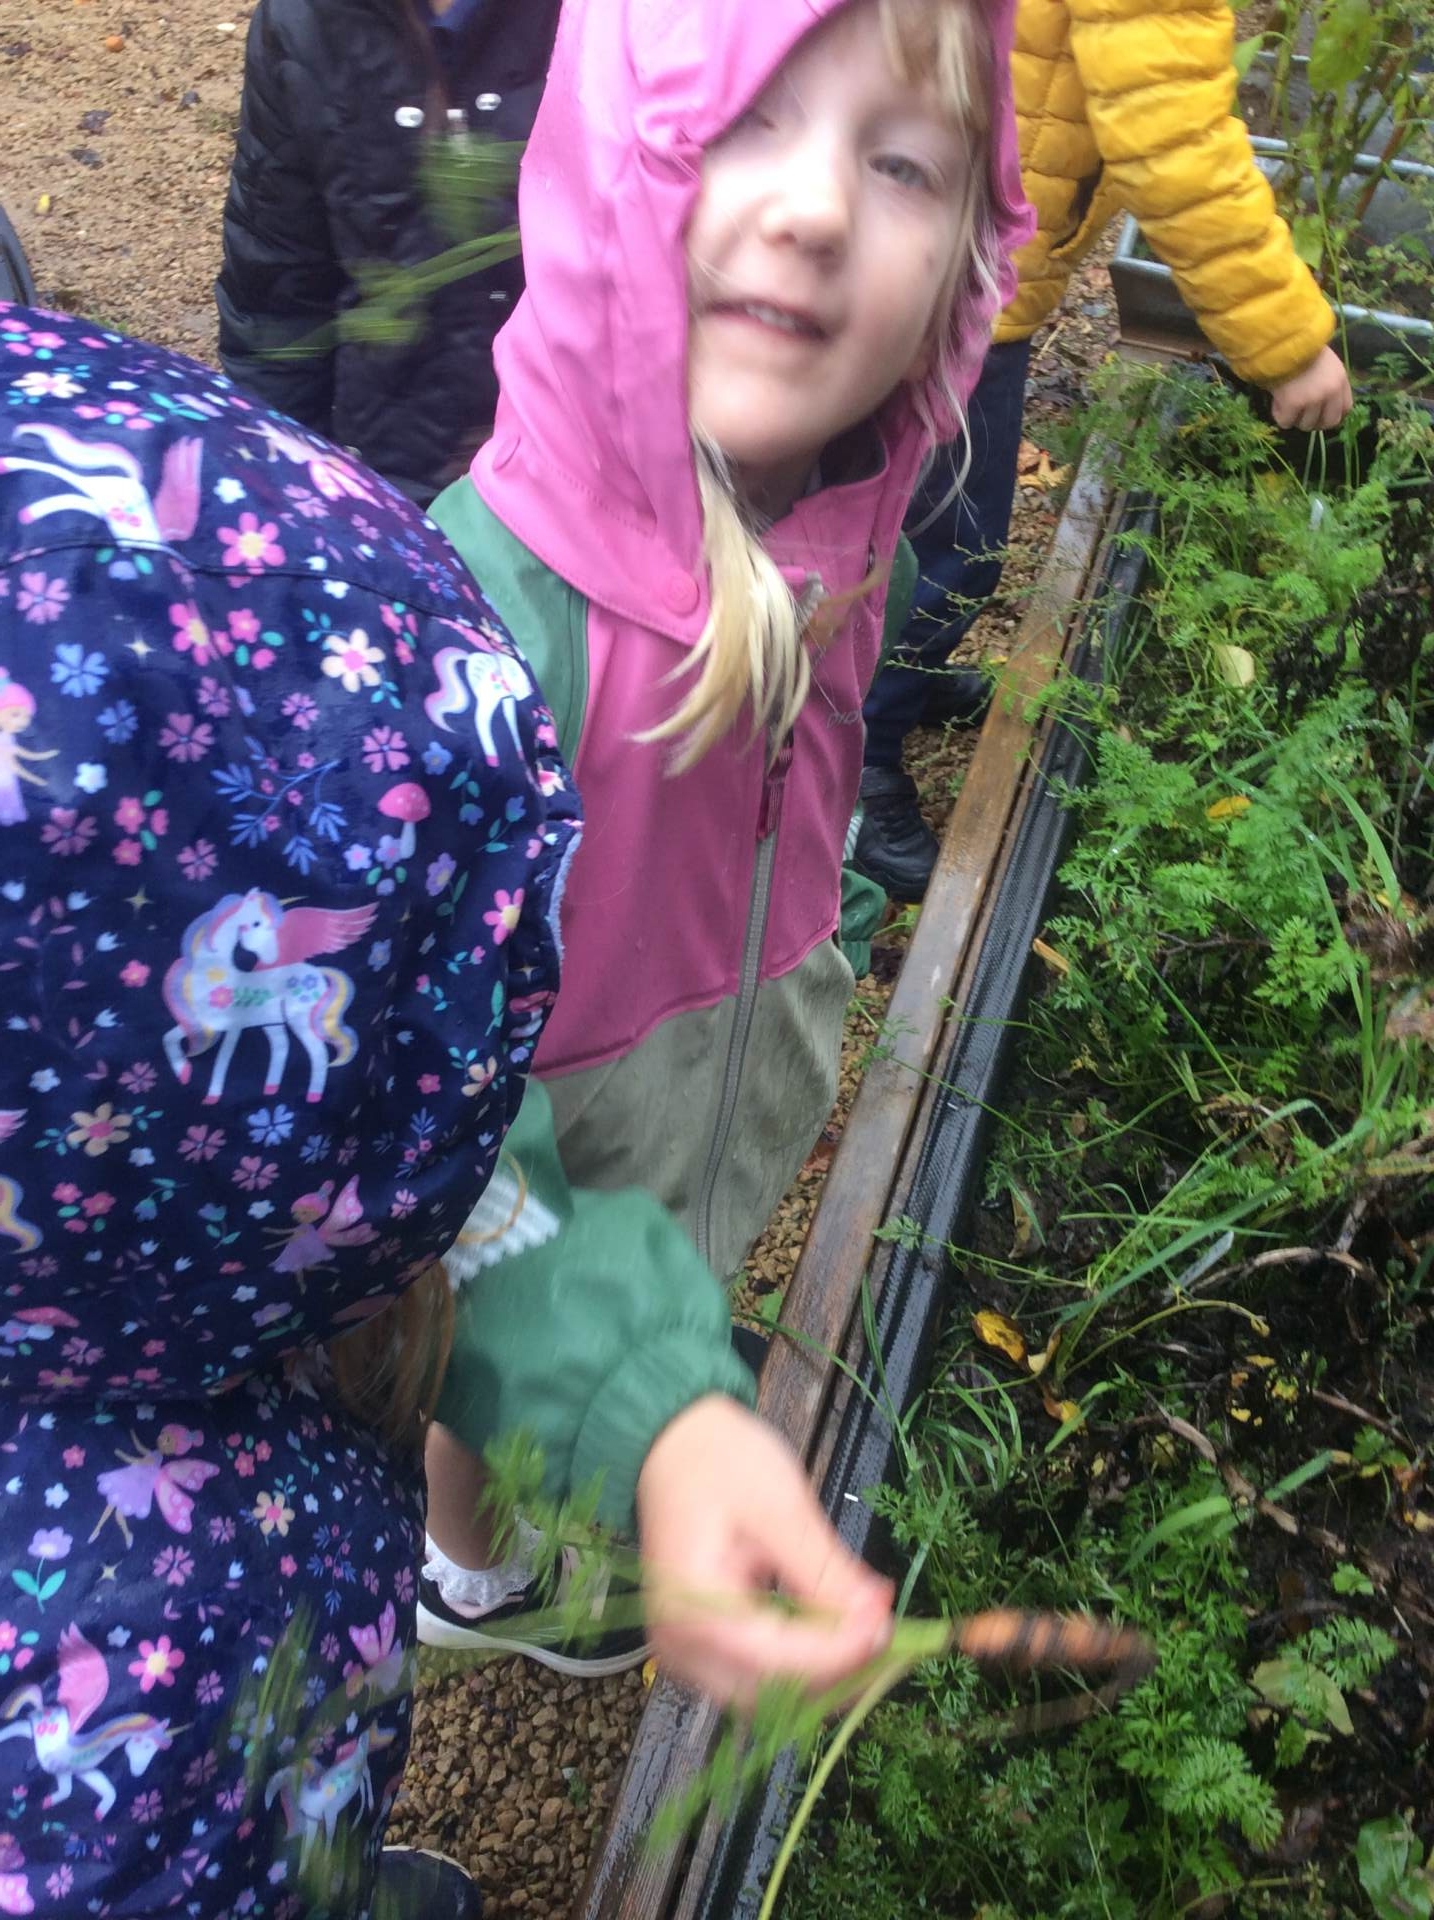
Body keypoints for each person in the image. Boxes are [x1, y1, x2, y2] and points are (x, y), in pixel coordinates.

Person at [0, 303, 894, 1917]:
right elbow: (439, 1183)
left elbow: (436, 1191)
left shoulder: (160, 1222)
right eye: (396, 1029)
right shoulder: (121, 1672)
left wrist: (649, 1411)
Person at [416, 0, 1035, 1656]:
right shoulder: (478, 628)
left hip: (727, 1043)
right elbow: (434, 1150)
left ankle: (619, 1423)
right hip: (542, 1136)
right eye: (740, 120)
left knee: (673, 1265)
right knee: (480, 1379)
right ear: (606, 157)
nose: (818, 206)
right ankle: (470, 1571)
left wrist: (816, 934)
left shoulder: (833, 522)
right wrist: (637, 1392)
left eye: (902, 163)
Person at [852, 0, 1356, 902]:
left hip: (933, 236)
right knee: (949, 553)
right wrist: (1285, 340)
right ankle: (856, 759)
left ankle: (895, 686)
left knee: (904, 521)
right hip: (945, 281)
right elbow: (1174, 139)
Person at [215, 0, 562, 507]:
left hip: (573, 494)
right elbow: (277, 302)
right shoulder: (305, 22)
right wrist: (285, 492)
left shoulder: (615, 21)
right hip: (387, 484)